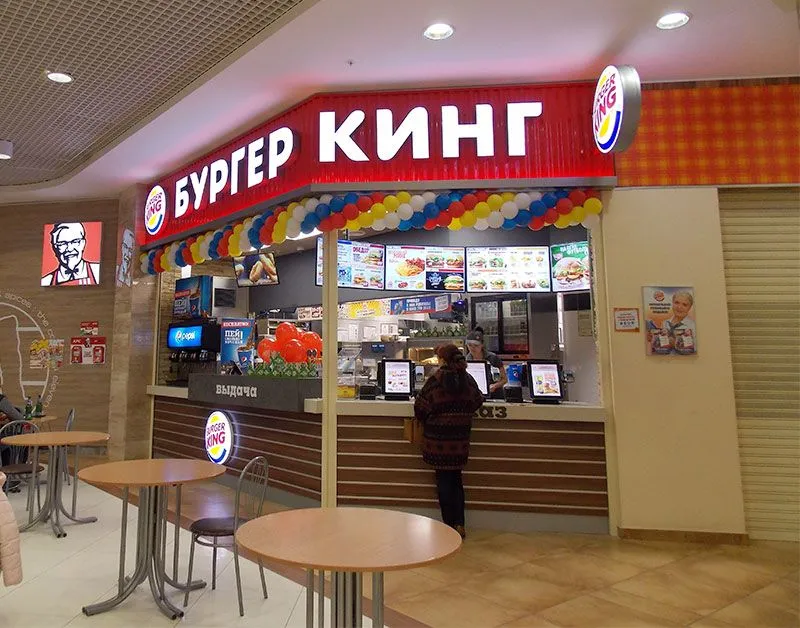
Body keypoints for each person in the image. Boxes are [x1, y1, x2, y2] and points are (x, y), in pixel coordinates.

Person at [414, 344, 484, 539]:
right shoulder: (467, 379)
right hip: (460, 439)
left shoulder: (435, 381)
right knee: (456, 480)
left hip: (438, 440)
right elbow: (478, 400)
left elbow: (420, 408)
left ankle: (448, 527)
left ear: (442, 360)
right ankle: (460, 524)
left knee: (443, 481)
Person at [41, 222, 100, 286]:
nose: (70, 249)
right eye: (62, 243)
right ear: (55, 247)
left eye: (75, 241)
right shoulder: (46, 281)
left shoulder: (97, 271)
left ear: (83, 243)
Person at [464, 326, 508, 398]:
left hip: (495, 397)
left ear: (482, 345)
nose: (472, 348)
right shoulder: (467, 360)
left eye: (476, 345)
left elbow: (504, 379)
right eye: (470, 345)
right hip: (476, 397)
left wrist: (495, 386)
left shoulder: (492, 358)